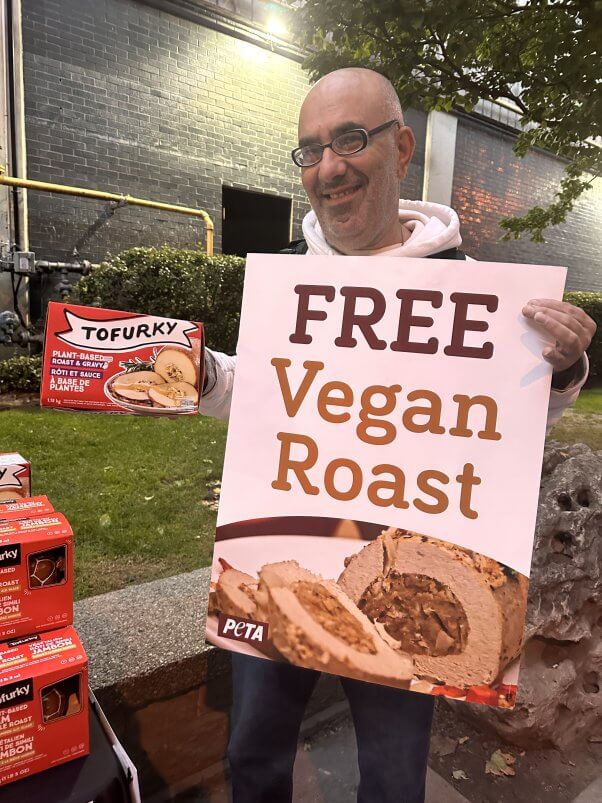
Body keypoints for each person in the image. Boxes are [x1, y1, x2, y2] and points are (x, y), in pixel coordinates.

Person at [200, 68, 596, 803]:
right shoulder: (289, 276)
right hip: (280, 555)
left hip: (407, 589)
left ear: (402, 146)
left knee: (391, 773)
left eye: (350, 139)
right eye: (310, 149)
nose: (329, 166)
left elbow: (503, 429)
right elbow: (257, 399)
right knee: (252, 752)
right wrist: (201, 376)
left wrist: (564, 368)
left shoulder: (472, 287)